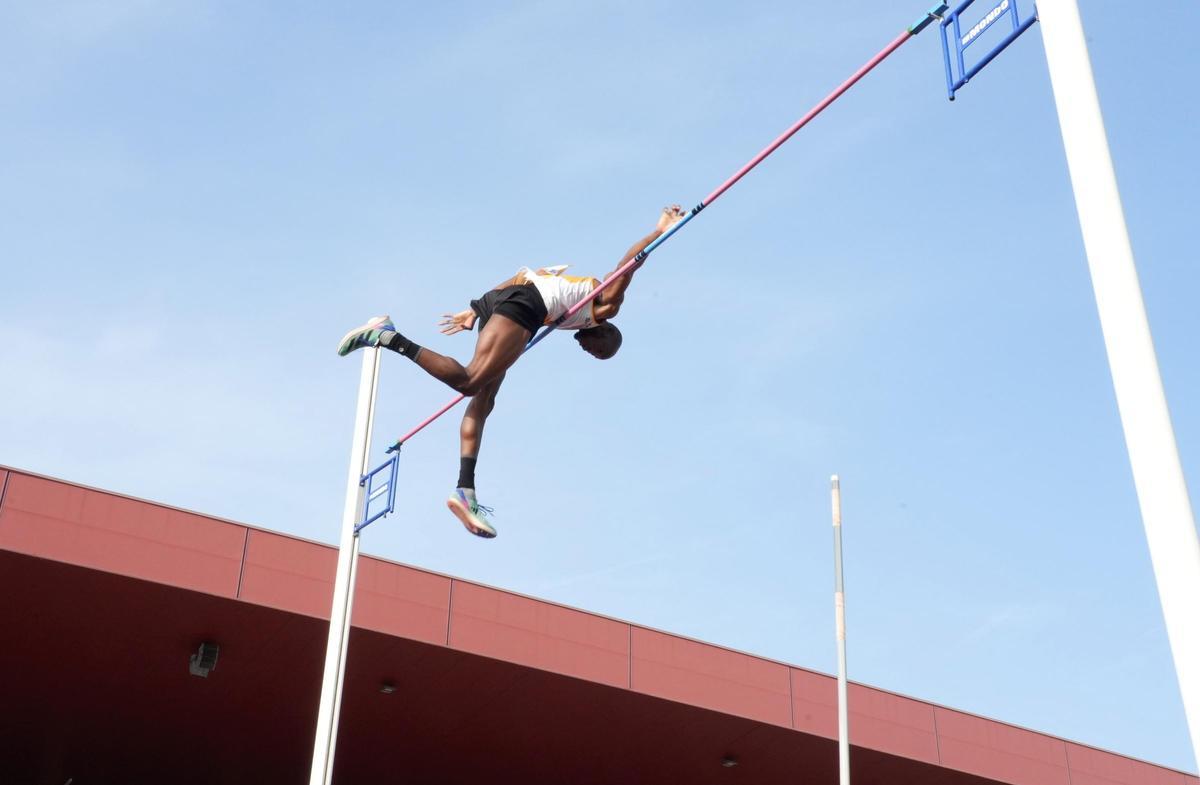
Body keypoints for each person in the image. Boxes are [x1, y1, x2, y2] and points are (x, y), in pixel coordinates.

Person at [336, 204, 686, 539]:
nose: (590, 353)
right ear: (605, 334)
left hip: (508, 301)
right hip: (524, 308)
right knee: (470, 382)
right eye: (599, 352)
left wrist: (475, 309)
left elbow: (522, 275)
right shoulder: (606, 306)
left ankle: (465, 489)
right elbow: (627, 267)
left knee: (483, 400)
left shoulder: (571, 305)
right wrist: (658, 231)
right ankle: (389, 336)